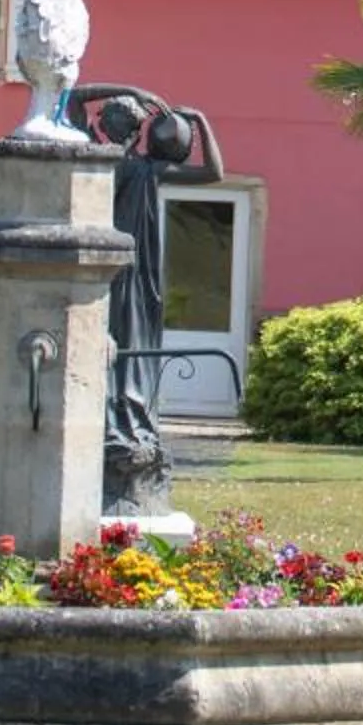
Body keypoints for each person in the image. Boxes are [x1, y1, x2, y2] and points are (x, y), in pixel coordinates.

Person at [69, 85, 224, 516]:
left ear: (137, 131)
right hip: (96, 269)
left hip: (136, 276)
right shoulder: (95, 157)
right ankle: (103, 417)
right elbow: (76, 97)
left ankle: (128, 421)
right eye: (114, 117)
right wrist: (128, 89)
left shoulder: (146, 169)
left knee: (131, 348)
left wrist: (199, 122)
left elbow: (213, 172)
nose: (116, 123)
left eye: (126, 119)